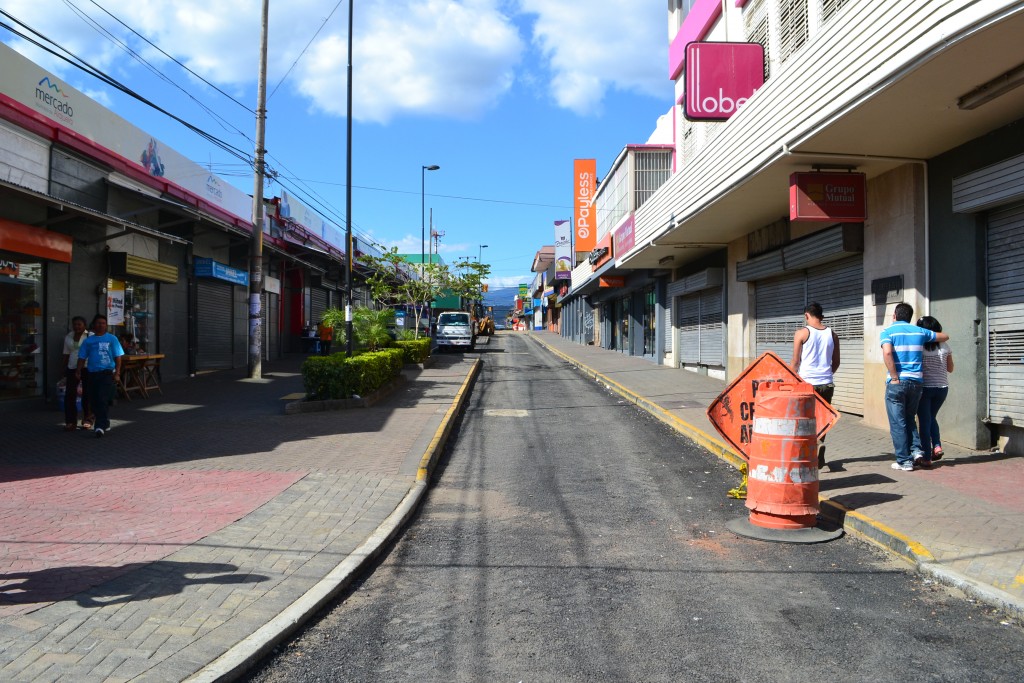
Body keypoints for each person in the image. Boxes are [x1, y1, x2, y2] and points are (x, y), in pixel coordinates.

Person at [880, 303, 949, 471]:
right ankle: (917, 451)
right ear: (909, 317)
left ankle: (904, 461)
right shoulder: (920, 332)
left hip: (897, 383)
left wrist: (894, 376)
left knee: (898, 423)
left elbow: (887, 352)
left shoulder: (887, 332)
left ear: (894, 315)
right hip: (917, 384)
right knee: (910, 418)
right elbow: (944, 336)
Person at [791, 302, 840, 469]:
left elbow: (795, 362)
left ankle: (806, 455)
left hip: (807, 384)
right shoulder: (832, 334)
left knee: (804, 420)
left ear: (806, 315)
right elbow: (836, 362)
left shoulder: (801, 333)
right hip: (827, 384)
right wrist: (826, 374)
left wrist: (792, 379)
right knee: (822, 419)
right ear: (821, 315)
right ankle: (819, 444)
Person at [913, 316, 954, 467]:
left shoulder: (920, 346)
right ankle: (937, 446)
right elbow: (950, 368)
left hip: (925, 389)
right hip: (942, 388)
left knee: (924, 422)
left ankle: (927, 457)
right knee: (931, 417)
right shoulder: (945, 346)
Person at [77, 314, 125, 438]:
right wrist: (78, 371)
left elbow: (118, 357)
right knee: (93, 400)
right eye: (98, 323)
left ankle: (99, 426)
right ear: (94, 325)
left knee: (102, 399)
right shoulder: (88, 341)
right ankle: (105, 422)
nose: (101, 325)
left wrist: (117, 372)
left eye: (103, 323)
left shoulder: (112, 339)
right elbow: (82, 357)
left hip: (107, 373)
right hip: (92, 373)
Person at [61, 316, 92, 431]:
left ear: (84, 325)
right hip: (72, 366)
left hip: (87, 367)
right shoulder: (68, 336)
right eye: (75, 324)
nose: (77, 326)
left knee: (87, 394)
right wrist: (63, 368)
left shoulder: (90, 336)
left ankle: (88, 419)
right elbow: (66, 353)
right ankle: (70, 421)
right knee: (70, 395)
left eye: (79, 324)